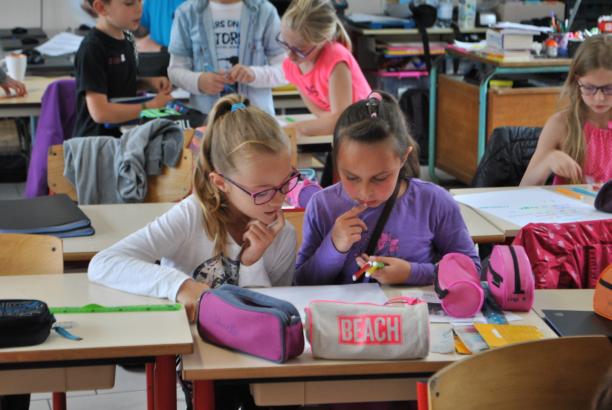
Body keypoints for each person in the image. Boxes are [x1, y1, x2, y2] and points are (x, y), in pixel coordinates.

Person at [88, 93, 297, 321]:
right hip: (184, 343)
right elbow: (104, 263)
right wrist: (181, 286)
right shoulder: (192, 215)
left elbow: (268, 317)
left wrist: (252, 263)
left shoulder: (283, 235)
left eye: (286, 183)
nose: (278, 200)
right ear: (221, 183)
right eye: (262, 191)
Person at [295, 91, 480, 286]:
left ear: (403, 158)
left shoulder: (434, 202)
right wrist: (334, 246)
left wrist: (412, 273)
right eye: (351, 177)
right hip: (345, 315)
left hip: (410, 314)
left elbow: (471, 270)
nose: (365, 192)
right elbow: (301, 283)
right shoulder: (322, 205)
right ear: (336, 158)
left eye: (380, 178)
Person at [521, 35, 612, 186]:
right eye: (589, 88)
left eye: (609, 88)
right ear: (577, 81)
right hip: (568, 209)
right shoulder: (560, 125)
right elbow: (523, 188)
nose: (599, 98)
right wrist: (548, 160)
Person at [168, 0, 286, 116]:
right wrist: (199, 81)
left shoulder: (265, 11)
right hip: (208, 121)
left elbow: (287, 70)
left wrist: (254, 74)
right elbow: (174, 71)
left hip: (256, 121)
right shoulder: (186, 13)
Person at [74, 0, 173, 138]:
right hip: (96, 146)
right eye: (129, 3)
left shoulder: (127, 40)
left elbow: (119, 83)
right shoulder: (92, 48)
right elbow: (100, 112)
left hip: (123, 139)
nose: (139, 9)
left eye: (139, 1)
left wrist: (149, 82)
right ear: (101, 7)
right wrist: (150, 106)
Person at [280, 0, 371, 136]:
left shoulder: (335, 60)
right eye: (285, 44)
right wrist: (325, 122)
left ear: (323, 40)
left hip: (369, 131)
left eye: (299, 50)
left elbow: (342, 120)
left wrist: (297, 128)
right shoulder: (293, 64)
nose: (290, 55)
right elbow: (319, 110)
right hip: (346, 133)